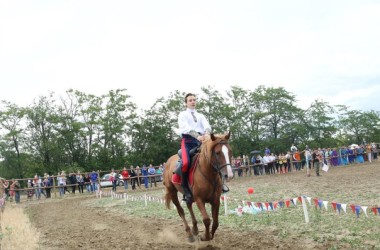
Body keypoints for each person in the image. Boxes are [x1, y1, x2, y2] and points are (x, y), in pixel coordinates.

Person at [176, 93, 212, 203]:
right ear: (186, 103)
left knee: (212, 157)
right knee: (186, 163)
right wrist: (198, 136)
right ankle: (186, 190)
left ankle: (220, 184)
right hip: (187, 142)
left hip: (201, 141)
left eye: (194, 100)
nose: (193, 101)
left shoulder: (200, 115)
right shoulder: (182, 115)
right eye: (190, 100)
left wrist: (206, 133)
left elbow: (207, 125)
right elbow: (185, 128)